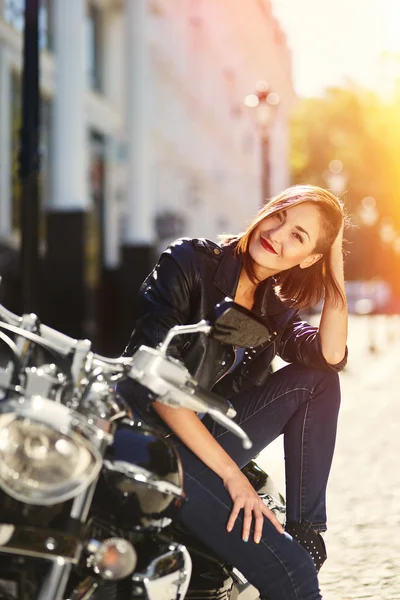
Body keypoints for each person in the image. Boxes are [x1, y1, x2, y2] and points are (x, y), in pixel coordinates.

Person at [120, 184, 348, 600]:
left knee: (318, 382)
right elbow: (157, 383)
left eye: (298, 236)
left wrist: (335, 266)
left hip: (206, 440)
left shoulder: (273, 307)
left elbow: (329, 356)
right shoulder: (190, 261)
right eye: (278, 215)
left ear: (309, 258)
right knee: (292, 574)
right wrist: (232, 476)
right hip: (155, 445)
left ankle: (306, 531)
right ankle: (291, 552)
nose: (277, 234)